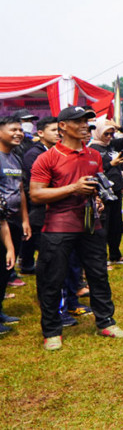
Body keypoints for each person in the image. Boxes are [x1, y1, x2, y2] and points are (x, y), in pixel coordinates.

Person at [30, 105, 123, 351]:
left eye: (87, 121)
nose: (85, 125)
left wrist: (97, 198)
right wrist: (73, 188)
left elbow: (97, 184)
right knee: (52, 279)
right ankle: (52, 331)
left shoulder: (94, 156)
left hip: (91, 224)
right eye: (78, 121)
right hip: (58, 226)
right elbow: (36, 194)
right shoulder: (47, 157)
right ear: (62, 126)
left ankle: (105, 321)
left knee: (98, 275)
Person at [87, 116, 123, 265]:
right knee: (103, 225)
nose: (109, 137)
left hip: (116, 190)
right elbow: (94, 171)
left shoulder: (112, 145)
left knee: (116, 224)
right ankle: (101, 257)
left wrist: (119, 127)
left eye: (111, 133)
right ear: (98, 133)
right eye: (106, 134)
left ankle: (115, 254)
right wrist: (111, 164)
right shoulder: (92, 149)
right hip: (101, 192)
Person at [18, 117, 59, 274]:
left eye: (59, 131)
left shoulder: (54, 151)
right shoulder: (34, 154)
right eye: (54, 130)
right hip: (37, 203)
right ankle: (28, 265)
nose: (58, 134)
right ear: (40, 133)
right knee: (35, 238)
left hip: (49, 201)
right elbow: (32, 182)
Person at [0, 116, 28, 328]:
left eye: (20, 129)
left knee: (6, 269)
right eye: (13, 129)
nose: (19, 133)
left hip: (15, 221)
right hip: (1, 222)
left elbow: (20, 190)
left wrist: (25, 220)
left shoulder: (15, 159)